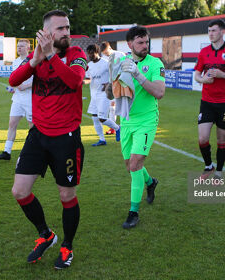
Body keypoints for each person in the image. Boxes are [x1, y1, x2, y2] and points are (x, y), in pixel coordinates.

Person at [9, 10, 87, 269]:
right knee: (19, 191)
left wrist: (51, 56)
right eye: (61, 29)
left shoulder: (77, 55)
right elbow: (13, 80)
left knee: (66, 195)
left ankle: (67, 246)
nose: (67, 32)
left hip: (66, 138)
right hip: (38, 134)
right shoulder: (38, 57)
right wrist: (34, 61)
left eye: (68, 27)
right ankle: (46, 234)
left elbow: (75, 81)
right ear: (47, 33)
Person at [114, 26, 165, 229]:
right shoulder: (120, 62)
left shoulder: (155, 63)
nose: (145, 46)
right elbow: (112, 93)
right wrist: (111, 85)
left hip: (146, 121)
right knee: (130, 167)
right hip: (126, 121)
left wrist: (138, 75)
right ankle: (151, 182)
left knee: (135, 164)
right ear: (130, 45)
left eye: (146, 42)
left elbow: (159, 92)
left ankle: (133, 212)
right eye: (140, 42)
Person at [194, 19, 225, 180]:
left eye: (213, 31)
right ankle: (208, 165)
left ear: (222, 32)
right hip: (207, 102)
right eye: (209, 31)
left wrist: (223, 75)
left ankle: (219, 172)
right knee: (202, 139)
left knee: (222, 140)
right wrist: (203, 80)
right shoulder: (204, 52)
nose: (210, 34)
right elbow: (196, 74)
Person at [0, 39, 33, 160]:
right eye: (18, 46)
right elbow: (15, 79)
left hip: (30, 98)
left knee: (32, 127)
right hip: (17, 98)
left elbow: (38, 80)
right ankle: (7, 152)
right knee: (12, 124)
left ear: (28, 48)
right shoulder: (15, 62)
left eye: (22, 46)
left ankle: (33, 151)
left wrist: (25, 86)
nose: (19, 48)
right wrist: (13, 87)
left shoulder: (33, 61)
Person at [86, 44, 120, 146]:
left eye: (92, 53)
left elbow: (115, 75)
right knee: (94, 117)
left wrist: (109, 84)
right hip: (94, 95)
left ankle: (118, 128)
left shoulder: (106, 63)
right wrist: (81, 82)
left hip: (104, 95)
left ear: (97, 52)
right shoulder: (89, 65)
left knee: (102, 118)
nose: (90, 56)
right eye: (89, 54)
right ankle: (102, 140)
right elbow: (88, 79)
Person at [100, 41, 126, 135]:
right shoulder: (103, 58)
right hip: (111, 85)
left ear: (110, 48)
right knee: (112, 107)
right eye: (104, 54)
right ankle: (113, 127)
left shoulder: (120, 55)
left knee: (123, 106)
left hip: (122, 84)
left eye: (107, 53)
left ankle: (125, 126)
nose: (106, 55)